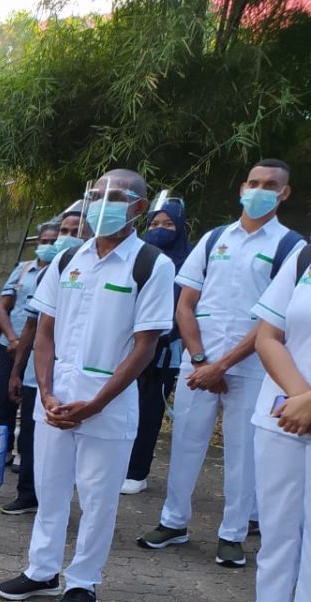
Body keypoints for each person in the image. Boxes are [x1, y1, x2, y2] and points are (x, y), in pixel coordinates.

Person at [0, 169, 176, 602]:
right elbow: (44, 333)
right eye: (96, 195)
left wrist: (95, 404)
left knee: (97, 499)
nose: (103, 203)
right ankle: (41, 571)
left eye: (116, 196)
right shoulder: (66, 260)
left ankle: (82, 584)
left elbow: (146, 345)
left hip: (107, 407)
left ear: (139, 206)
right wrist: (48, 391)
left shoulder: (151, 264)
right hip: (54, 403)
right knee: (50, 490)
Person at [142, 159, 301, 567]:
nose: (259, 189)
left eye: (270, 184)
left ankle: (231, 534)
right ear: (241, 188)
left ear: (284, 193)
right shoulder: (214, 239)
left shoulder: (291, 247)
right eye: (253, 182)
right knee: (185, 443)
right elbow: (186, 304)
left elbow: (274, 320)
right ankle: (173, 522)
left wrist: (224, 365)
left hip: (253, 366)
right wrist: (200, 359)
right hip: (198, 364)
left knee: (242, 452)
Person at [220, 238, 311, 602]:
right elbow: (269, 334)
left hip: (299, 410)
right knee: (277, 530)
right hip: (283, 414)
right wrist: (301, 397)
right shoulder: (304, 256)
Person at [2, 209, 89, 515]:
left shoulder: (98, 276)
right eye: (63, 230)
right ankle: (28, 494)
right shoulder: (44, 274)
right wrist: (16, 369)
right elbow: (31, 327)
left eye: (73, 230)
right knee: (30, 436)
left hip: (80, 378)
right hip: (36, 377)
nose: (66, 237)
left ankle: (60, 502)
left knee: (72, 444)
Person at [120, 197, 191, 494]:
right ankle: (117, 463)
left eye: (168, 224)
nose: (160, 229)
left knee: (148, 410)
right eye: (155, 224)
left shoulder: (187, 263)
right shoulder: (135, 259)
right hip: (124, 346)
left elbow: (185, 308)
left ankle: (137, 471)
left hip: (162, 351)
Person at [0, 223, 59, 462]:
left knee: (33, 398)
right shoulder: (23, 270)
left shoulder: (63, 271)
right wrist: (12, 337)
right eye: (44, 241)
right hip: (10, 344)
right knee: (5, 399)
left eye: (53, 241)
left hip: (40, 348)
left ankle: (25, 452)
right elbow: (2, 307)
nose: (48, 246)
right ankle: (3, 449)